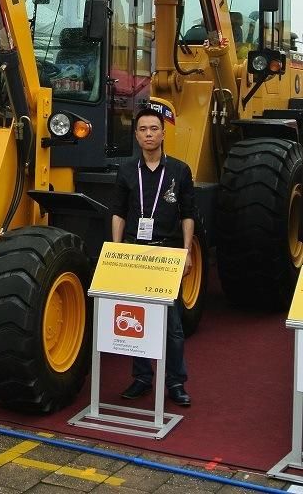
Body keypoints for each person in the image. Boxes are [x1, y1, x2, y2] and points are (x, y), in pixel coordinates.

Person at [111, 105, 194, 407]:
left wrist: (185, 252)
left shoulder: (179, 171)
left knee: (172, 323)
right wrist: (116, 251)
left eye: (154, 129)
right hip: (135, 253)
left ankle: (175, 382)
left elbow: (188, 214)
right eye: (143, 129)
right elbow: (119, 212)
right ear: (136, 135)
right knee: (137, 319)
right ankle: (142, 378)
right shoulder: (125, 170)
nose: (149, 134)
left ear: (162, 133)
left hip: (167, 253)